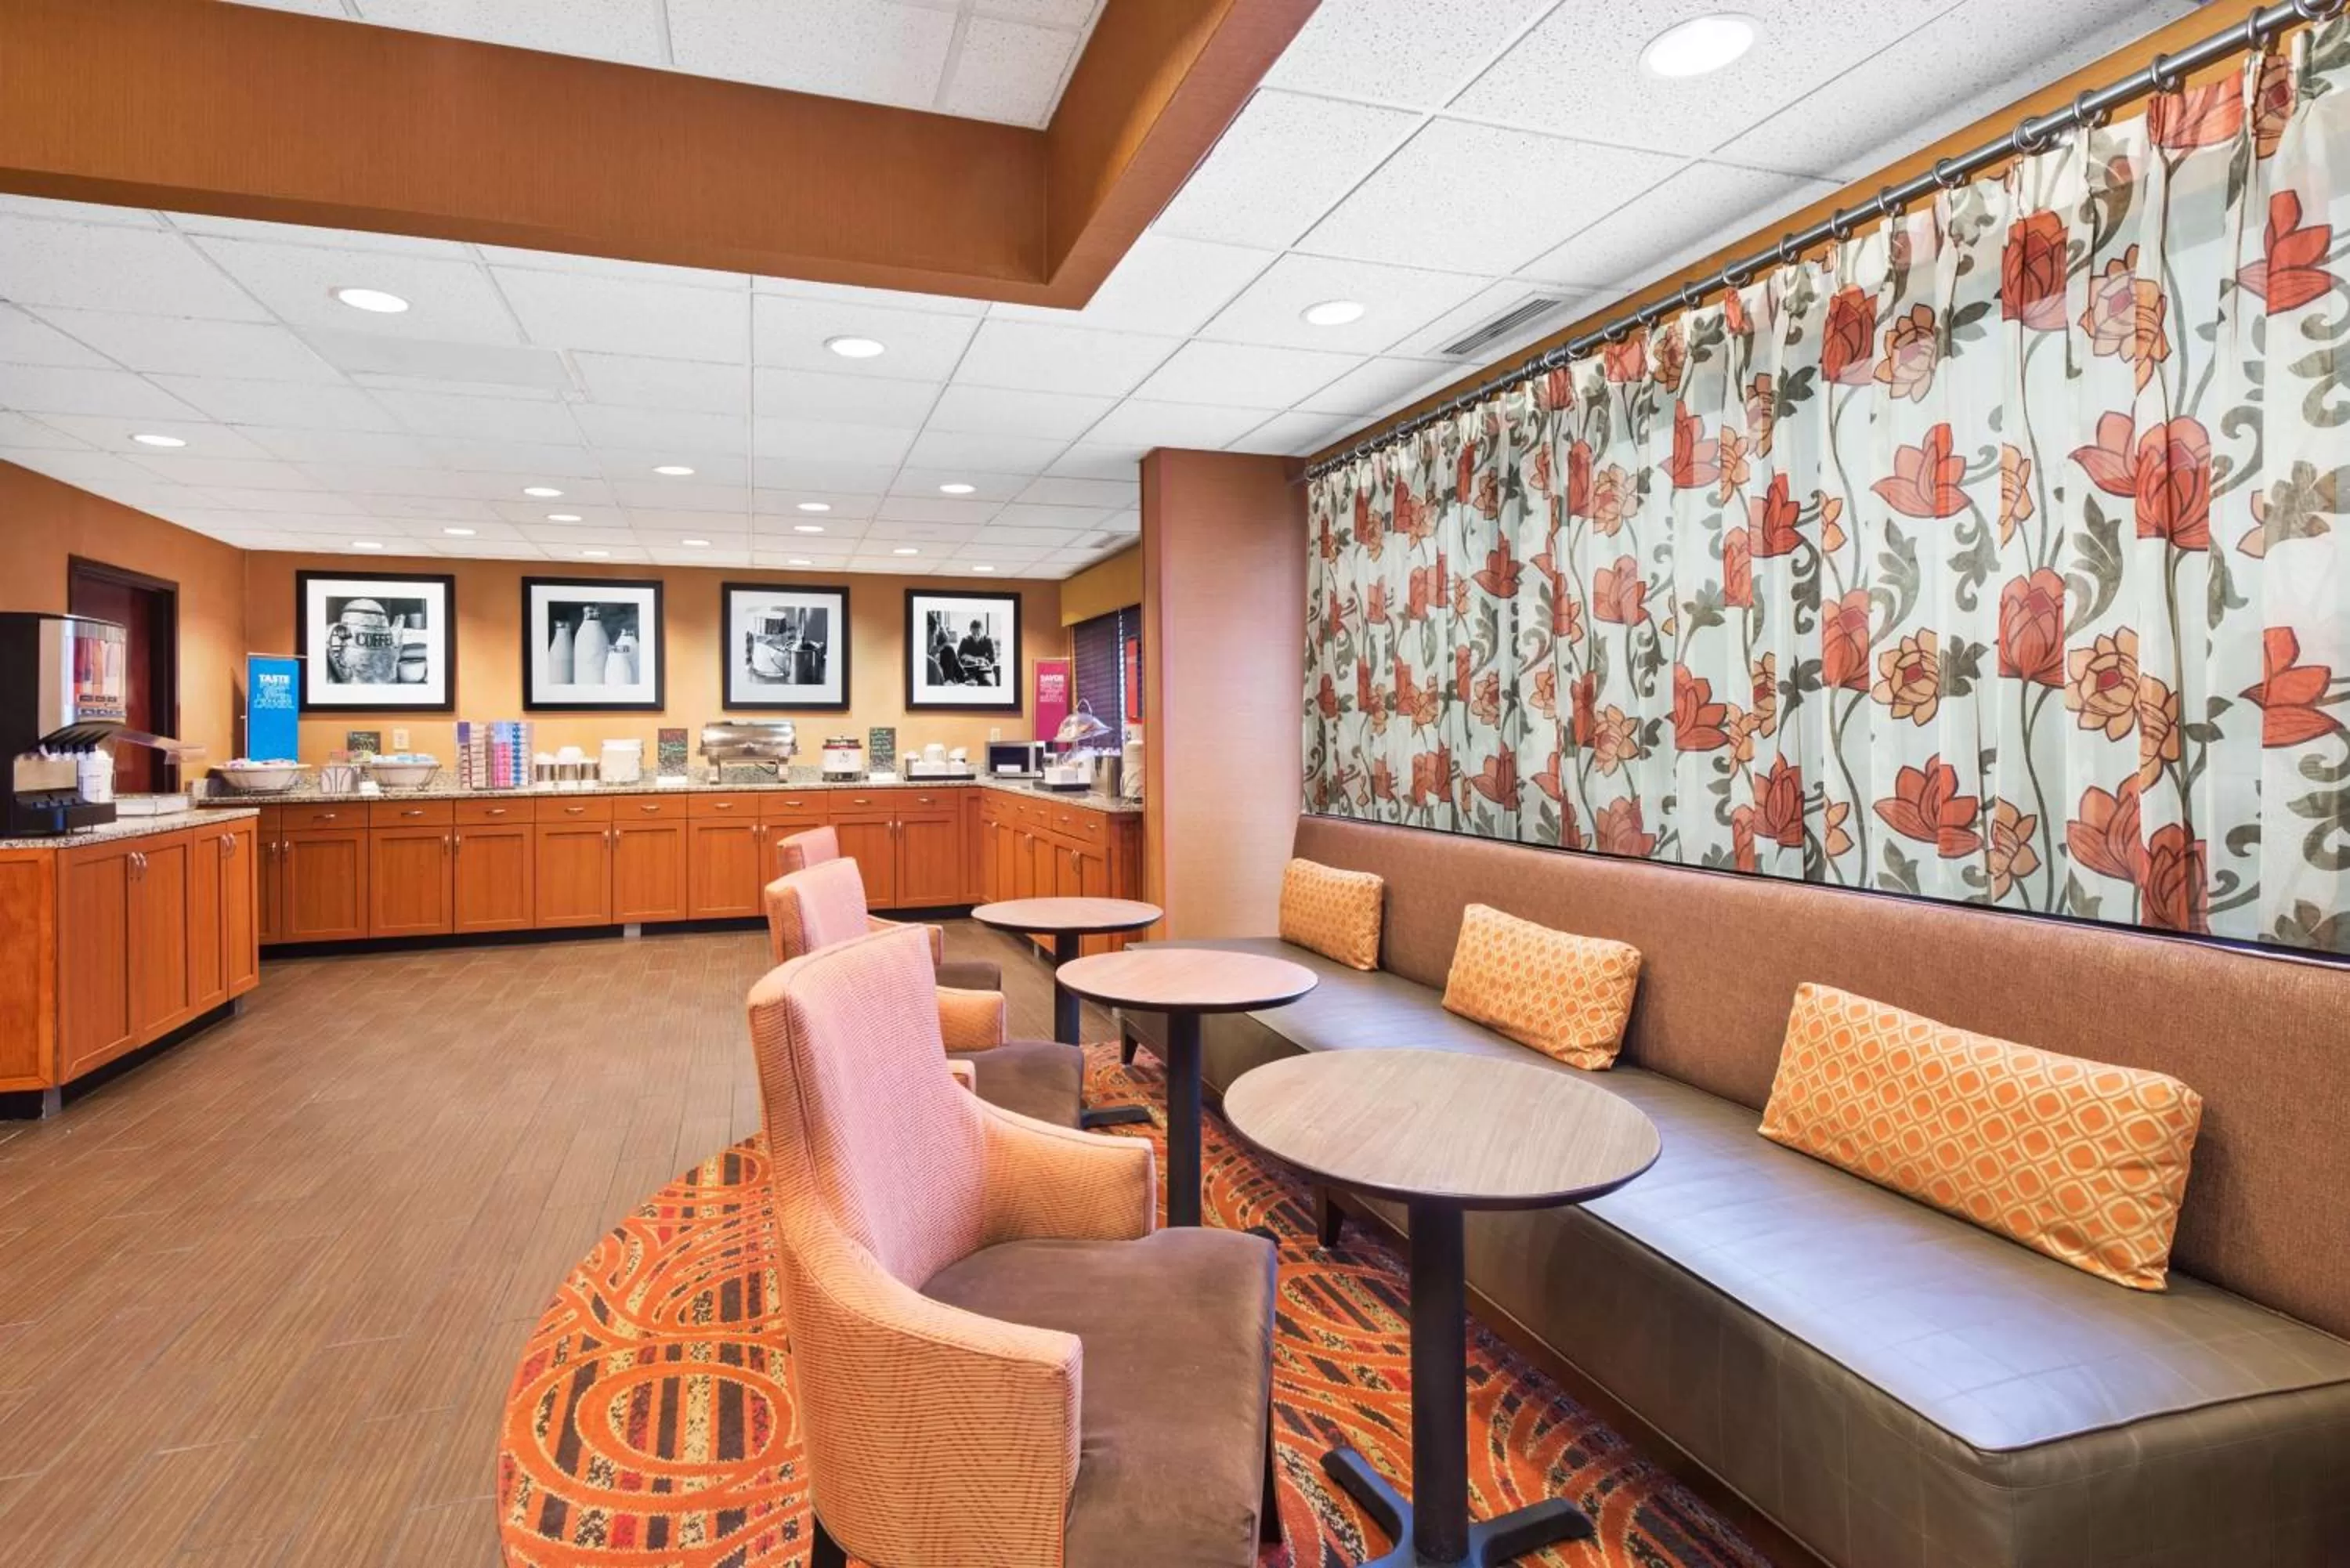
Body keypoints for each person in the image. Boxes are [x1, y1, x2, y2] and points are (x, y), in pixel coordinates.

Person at [956, 617, 996, 685]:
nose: (976, 637)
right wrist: (966, 658)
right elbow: (958, 657)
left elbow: (993, 659)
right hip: (969, 671)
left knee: (988, 684)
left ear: (983, 632)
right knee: (966, 684)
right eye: (973, 634)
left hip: (984, 671)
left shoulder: (988, 641)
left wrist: (980, 659)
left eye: (978, 634)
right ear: (970, 631)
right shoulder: (965, 641)